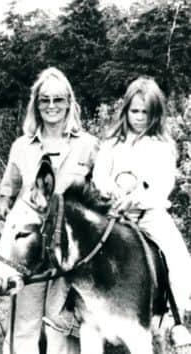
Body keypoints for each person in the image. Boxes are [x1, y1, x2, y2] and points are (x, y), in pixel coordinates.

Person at [0, 67, 99, 354]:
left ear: (69, 102)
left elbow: (98, 196)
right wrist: (2, 207)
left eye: (58, 100)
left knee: (61, 325)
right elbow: (8, 189)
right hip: (29, 250)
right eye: (45, 100)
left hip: (69, 253)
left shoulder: (88, 146)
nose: (51, 106)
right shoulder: (21, 147)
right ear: (36, 105)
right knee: (24, 323)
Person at [92, 76, 191, 316]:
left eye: (144, 112)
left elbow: (162, 184)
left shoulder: (161, 146)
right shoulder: (112, 143)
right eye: (134, 111)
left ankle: (174, 315)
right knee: (84, 249)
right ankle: (77, 310)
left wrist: (136, 198)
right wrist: (111, 191)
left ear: (154, 114)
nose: (138, 117)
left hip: (149, 215)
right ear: (126, 110)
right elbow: (100, 175)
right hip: (114, 213)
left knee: (178, 258)